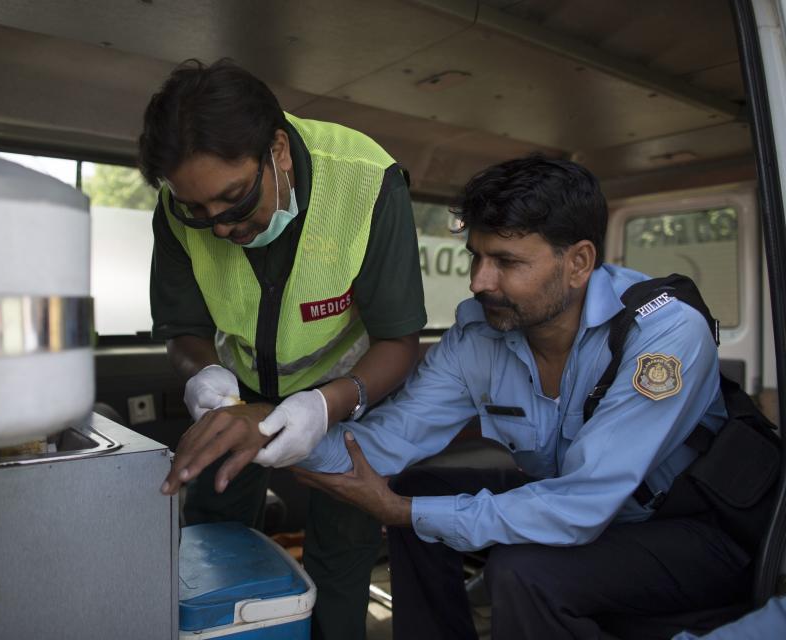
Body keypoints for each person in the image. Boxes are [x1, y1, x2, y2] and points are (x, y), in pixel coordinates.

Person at [282, 156, 756, 639]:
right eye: (476, 257)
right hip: (578, 498)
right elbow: (389, 440)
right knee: (419, 485)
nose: (478, 282)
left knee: (519, 569)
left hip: (692, 529)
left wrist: (403, 513)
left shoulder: (663, 333)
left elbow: (583, 503)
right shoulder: (478, 337)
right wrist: (275, 435)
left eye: (506, 262)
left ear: (579, 263)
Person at [143, 59, 426, 640]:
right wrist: (204, 376)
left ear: (278, 150)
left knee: (341, 563)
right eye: (199, 213)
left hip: (348, 399)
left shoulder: (367, 182)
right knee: (211, 536)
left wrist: (323, 406)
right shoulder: (180, 209)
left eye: (236, 201)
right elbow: (183, 327)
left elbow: (400, 340)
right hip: (235, 398)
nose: (220, 228)